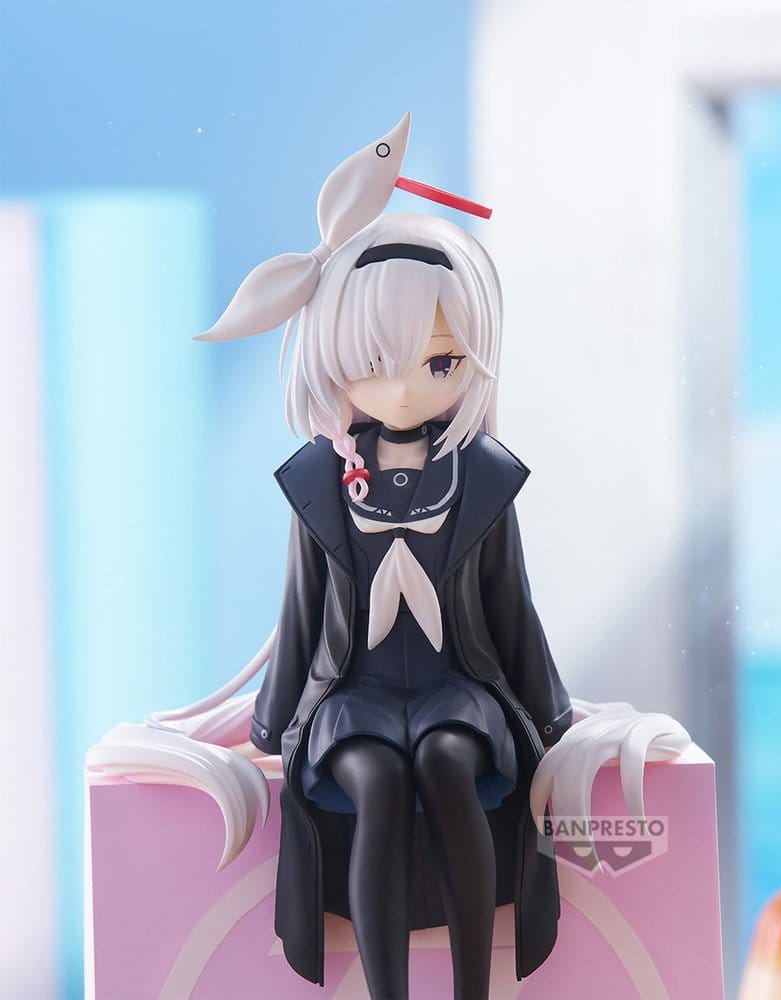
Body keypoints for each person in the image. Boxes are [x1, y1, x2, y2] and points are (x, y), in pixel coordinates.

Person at [196, 114, 573, 998]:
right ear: (333, 356)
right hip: (353, 694)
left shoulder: (481, 478)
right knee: (372, 780)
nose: (405, 387)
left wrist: (551, 715)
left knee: (448, 764)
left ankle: (477, 988)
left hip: (456, 686)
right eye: (375, 360)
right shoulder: (321, 483)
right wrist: (272, 726)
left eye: (439, 362)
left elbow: (510, 603)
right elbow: (301, 611)